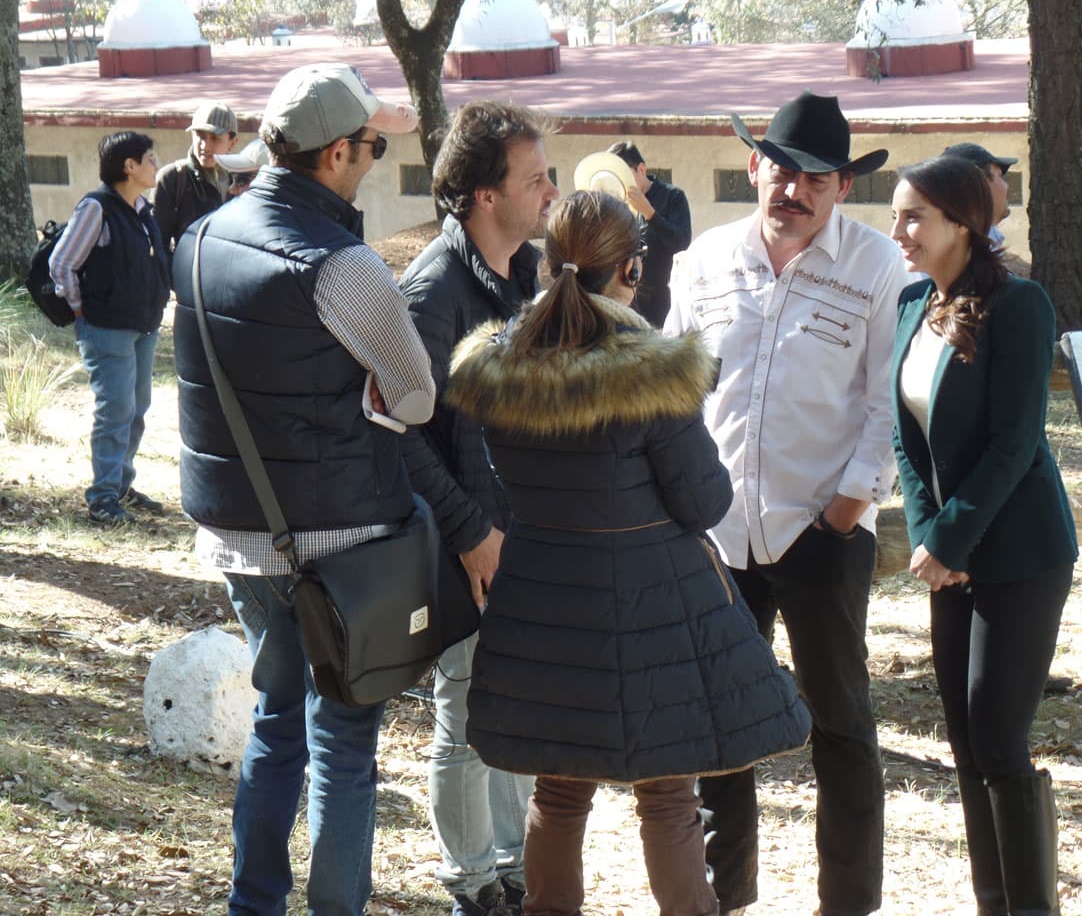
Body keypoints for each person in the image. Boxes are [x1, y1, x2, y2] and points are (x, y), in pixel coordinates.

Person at [447, 190, 812, 916]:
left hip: (542, 605)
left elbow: (499, 483)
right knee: (669, 796)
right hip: (656, 612)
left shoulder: (499, 366)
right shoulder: (652, 372)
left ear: (547, 264)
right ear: (632, 271)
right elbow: (703, 502)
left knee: (558, 792)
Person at [169, 63, 434, 916]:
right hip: (341, 546)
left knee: (277, 725)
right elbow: (417, 395)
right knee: (344, 745)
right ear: (337, 153)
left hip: (238, 539)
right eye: (374, 146)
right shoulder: (343, 265)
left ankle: (253, 904)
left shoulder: (196, 240)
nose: (375, 160)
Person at [666, 90, 907, 916]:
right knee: (720, 723)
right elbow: (673, 390)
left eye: (816, 179)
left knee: (839, 724)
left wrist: (844, 511)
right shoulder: (702, 260)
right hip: (718, 534)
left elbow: (885, 402)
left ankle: (848, 903)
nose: (794, 191)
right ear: (753, 167)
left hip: (822, 532)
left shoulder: (877, 266)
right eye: (781, 171)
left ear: (843, 187)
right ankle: (723, 897)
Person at [888, 155, 1078, 916]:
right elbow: (905, 438)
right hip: (950, 556)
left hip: (1020, 554)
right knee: (966, 742)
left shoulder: (1021, 305)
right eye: (896, 215)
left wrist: (951, 541)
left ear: (963, 225)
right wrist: (930, 537)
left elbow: (1015, 443)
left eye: (913, 217)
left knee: (999, 739)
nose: (898, 231)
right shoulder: (912, 303)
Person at [398, 99, 558, 916]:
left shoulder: (524, 275)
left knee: (512, 709)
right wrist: (471, 534)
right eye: (535, 180)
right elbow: (399, 435)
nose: (551, 193)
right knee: (464, 717)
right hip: (468, 544)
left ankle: (510, 871)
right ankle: (471, 886)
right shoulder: (433, 293)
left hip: (520, 535)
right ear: (485, 196)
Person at [48, 131, 170, 526]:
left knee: (136, 410)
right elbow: (61, 263)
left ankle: (120, 486)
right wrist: (81, 309)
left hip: (143, 327)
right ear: (129, 166)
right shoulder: (96, 208)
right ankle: (102, 499)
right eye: (150, 158)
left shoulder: (142, 210)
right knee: (115, 412)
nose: (156, 165)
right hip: (106, 329)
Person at [606, 139, 692, 326]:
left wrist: (649, 213)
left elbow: (682, 243)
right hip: (629, 303)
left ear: (641, 169)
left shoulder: (673, 196)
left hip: (666, 301)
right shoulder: (618, 205)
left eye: (624, 175)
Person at [154, 101, 238, 252]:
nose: (205, 146)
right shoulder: (173, 178)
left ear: (232, 143)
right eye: (200, 136)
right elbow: (158, 246)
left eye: (215, 138)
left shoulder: (241, 181)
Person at [942, 142, 1017, 249]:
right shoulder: (966, 250)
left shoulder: (948, 244)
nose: (1007, 186)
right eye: (1001, 176)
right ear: (982, 183)